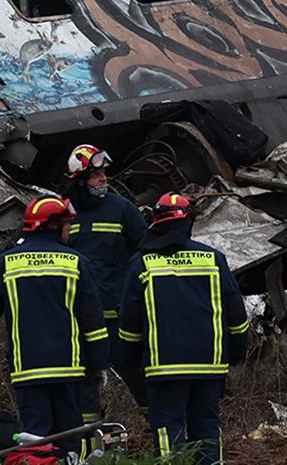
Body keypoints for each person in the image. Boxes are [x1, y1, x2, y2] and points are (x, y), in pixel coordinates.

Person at [0, 196, 109, 457]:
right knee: (70, 436)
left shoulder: (6, 263)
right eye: (67, 225)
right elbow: (93, 322)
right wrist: (100, 362)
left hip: (28, 370)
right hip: (69, 369)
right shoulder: (76, 262)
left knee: (35, 441)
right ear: (53, 225)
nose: (70, 230)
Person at [117, 192, 249, 464]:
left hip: (164, 367)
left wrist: (129, 360)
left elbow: (129, 323)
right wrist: (236, 352)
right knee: (207, 428)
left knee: (167, 428)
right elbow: (236, 314)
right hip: (209, 366)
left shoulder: (142, 263)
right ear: (189, 223)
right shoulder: (214, 260)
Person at [61, 144, 149, 426]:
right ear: (79, 180)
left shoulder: (122, 209)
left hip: (115, 315)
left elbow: (145, 253)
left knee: (135, 371)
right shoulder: (64, 213)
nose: (103, 180)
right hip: (78, 318)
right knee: (85, 380)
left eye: (104, 174)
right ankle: (90, 441)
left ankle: (161, 429)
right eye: (96, 175)